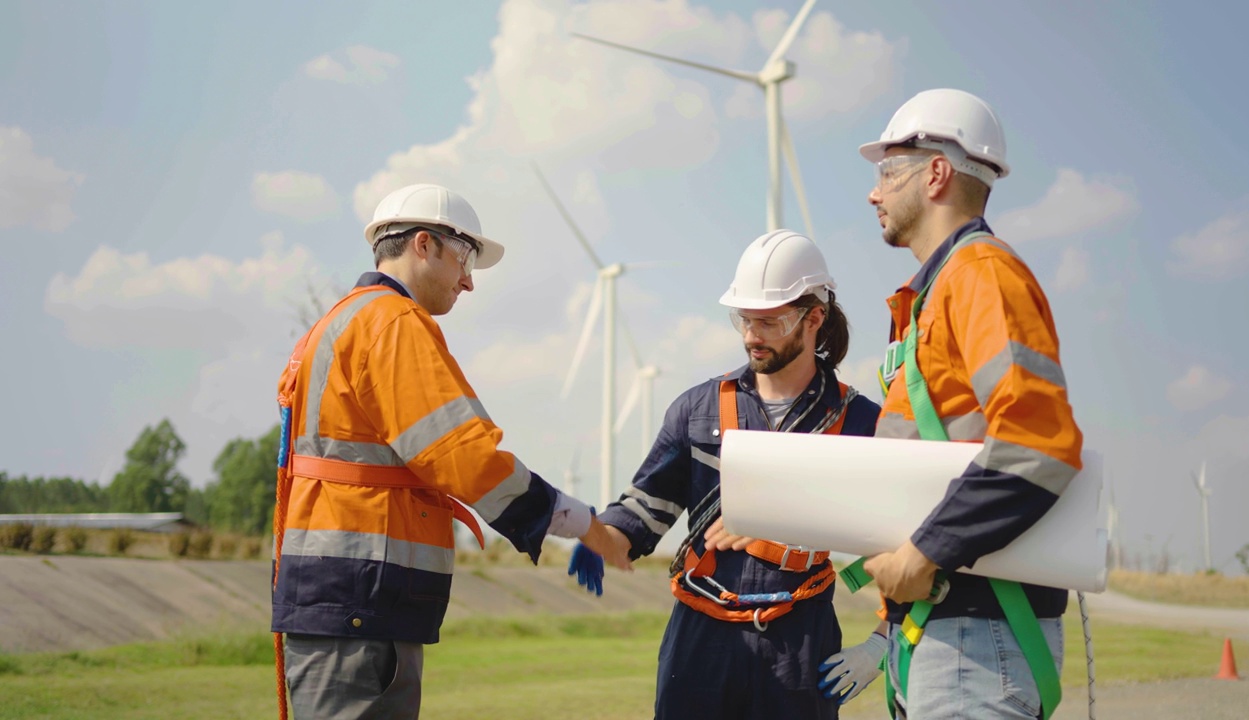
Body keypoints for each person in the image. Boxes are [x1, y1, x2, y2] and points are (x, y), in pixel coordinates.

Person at [270, 183, 632, 720]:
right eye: (464, 258)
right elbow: (464, 457)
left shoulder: (342, 321)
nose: (468, 281)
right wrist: (584, 525)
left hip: (343, 598)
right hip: (358, 601)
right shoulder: (392, 323)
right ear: (423, 245)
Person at [832, 88, 1084, 718]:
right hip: (946, 631)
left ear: (937, 173)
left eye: (888, 172)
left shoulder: (980, 276)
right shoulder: (939, 292)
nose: (874, 192)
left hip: (979, 635)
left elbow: (1037, 444)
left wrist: (925, 553)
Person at [583, 229, 882, 720]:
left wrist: (882, 644)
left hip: (799, 649)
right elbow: (646, 505)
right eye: (744, 319)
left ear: (814, 319)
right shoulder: (697, 409)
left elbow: (903, 544)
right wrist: (600, 534)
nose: (750, 335)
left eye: (769, 321)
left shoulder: (862, 423)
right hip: (699, 644)